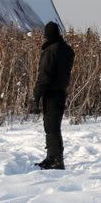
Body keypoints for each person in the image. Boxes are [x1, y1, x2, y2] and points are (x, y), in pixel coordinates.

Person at [30, 21, 75, 170]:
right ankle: (52, 157)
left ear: (47, 35)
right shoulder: (68, 50)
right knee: (54, 126)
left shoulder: (50, 51)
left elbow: (44, 76)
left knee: (51, 127)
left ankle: (56, 160)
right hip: (61, 92)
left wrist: (36, 96)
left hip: (51, 94)